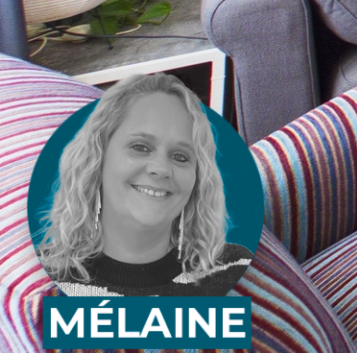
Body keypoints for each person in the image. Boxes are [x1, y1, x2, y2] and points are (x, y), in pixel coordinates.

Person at [33, 73, 251, 297]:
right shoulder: (41, 281)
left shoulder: (234, 267)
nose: (161, 168)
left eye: (180, 156)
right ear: (97, 158)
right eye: (140, 147)